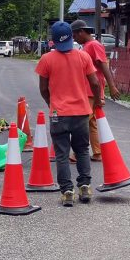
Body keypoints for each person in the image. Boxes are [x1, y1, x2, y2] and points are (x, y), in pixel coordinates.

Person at [36, 21, 103, 207]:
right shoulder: (83, 57)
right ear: (72, 37)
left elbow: (43, 88)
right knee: (82, 150)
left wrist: (52, 104)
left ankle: (67, 191)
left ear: (53, 40)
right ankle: (85, 187)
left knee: (62, 154)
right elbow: (95, 83)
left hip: (58, 114)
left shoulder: (46, 59)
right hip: (81, 112)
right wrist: (97, 101)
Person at [71, 20, 121, 162]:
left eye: (74, 35)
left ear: (81, 32)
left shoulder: (94, 45)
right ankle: (97, 152)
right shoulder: (87, 46)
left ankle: (77, 153)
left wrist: (112, 86)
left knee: (81, 122)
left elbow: (104, 65)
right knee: (91, 122)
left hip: (90, 90)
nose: (74, 38)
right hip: (87, 89)